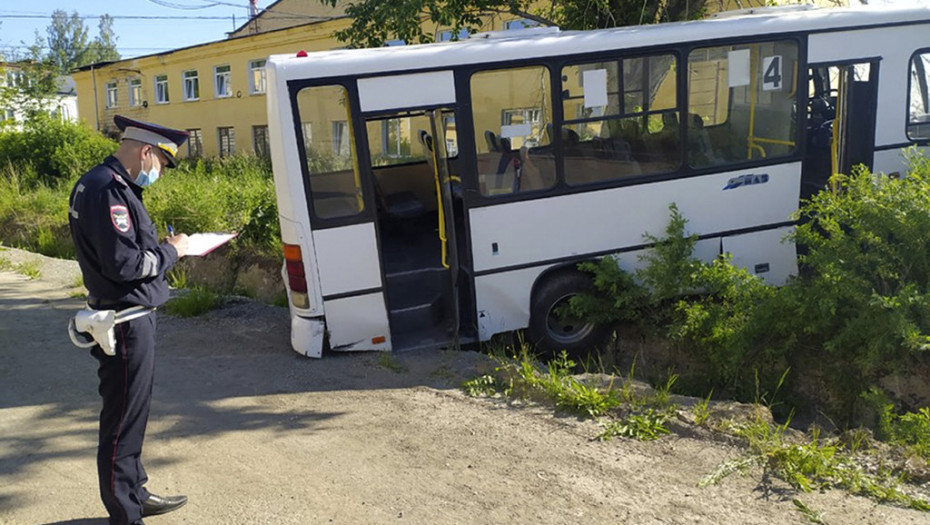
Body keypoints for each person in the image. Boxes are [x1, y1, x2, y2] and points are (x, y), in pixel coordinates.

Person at [68, 115, 191, 525]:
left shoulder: (107, 184)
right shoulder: (109, 190)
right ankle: (126, 514)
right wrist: (174, 251)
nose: (160, 173)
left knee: (132, 416)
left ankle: (135, 493)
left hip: (130, 316)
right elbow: (126, 264)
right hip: (125, 321)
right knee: (121, 424)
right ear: (146, 152)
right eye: (161, 164)